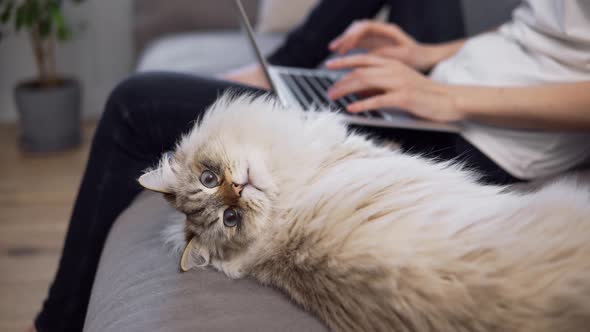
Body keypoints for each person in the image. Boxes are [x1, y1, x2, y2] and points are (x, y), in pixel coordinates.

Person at [31, 0, 590, 331]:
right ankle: (279, 71)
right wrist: (425, 58)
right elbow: (540, 31)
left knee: (134, 104)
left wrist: (447, 101)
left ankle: (57, 323)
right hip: (452, 83)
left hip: (483, 133)